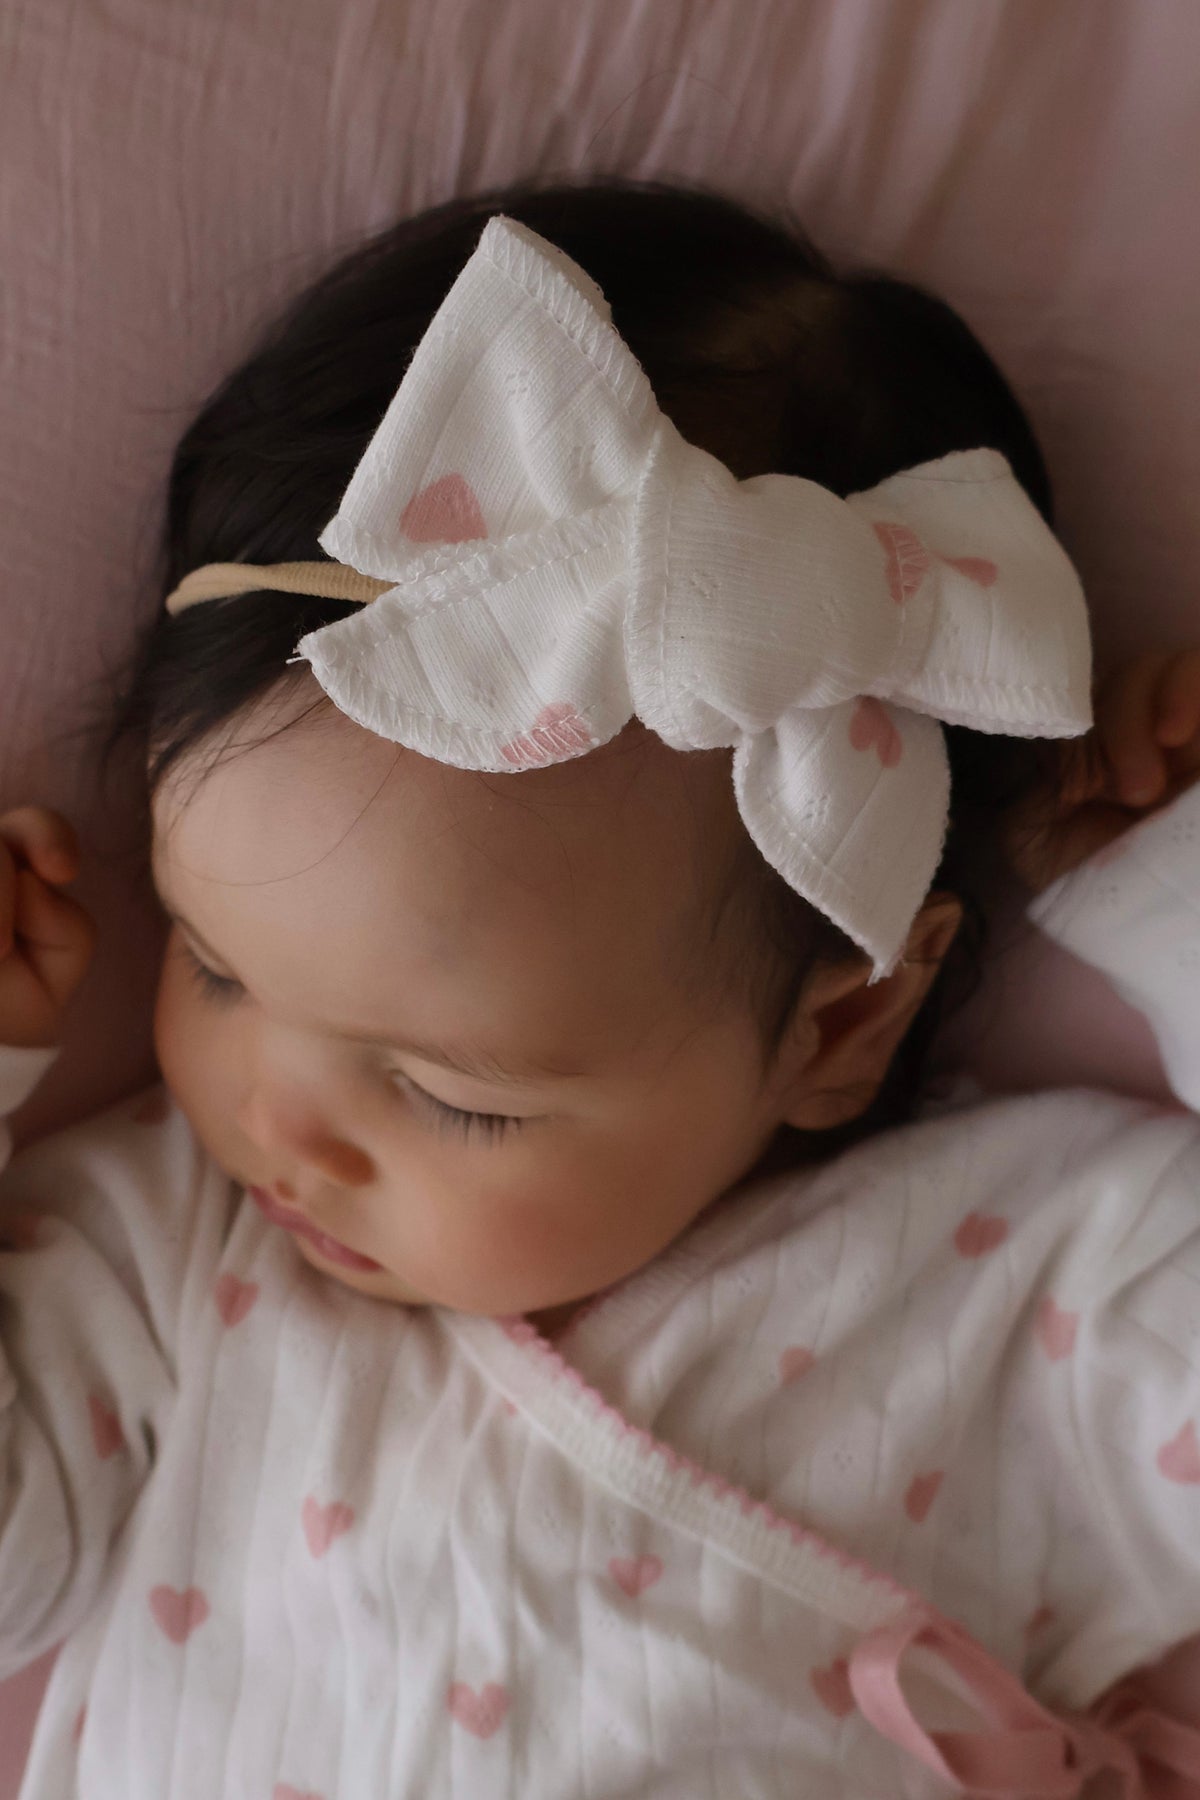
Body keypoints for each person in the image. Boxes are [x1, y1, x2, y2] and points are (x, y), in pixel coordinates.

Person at [1, 175, 1199, 1798]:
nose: (276, 1119)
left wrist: (1168, 901)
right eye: (213, 969)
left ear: (843, 1022)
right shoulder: (164, 1253)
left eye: (450, 1096)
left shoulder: (1012, 1287)